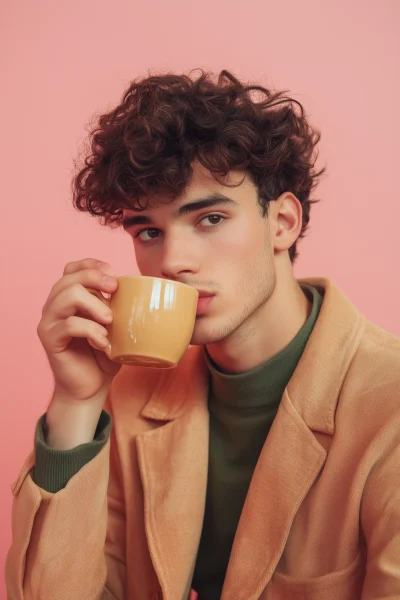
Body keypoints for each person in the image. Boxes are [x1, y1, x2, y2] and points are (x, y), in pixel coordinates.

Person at [5, 70, 400, 600]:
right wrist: (78, 402)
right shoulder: (130, 397)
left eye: (210, 218)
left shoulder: (388, 404)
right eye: (149, 231)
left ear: (282, 222)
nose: (172, 261)